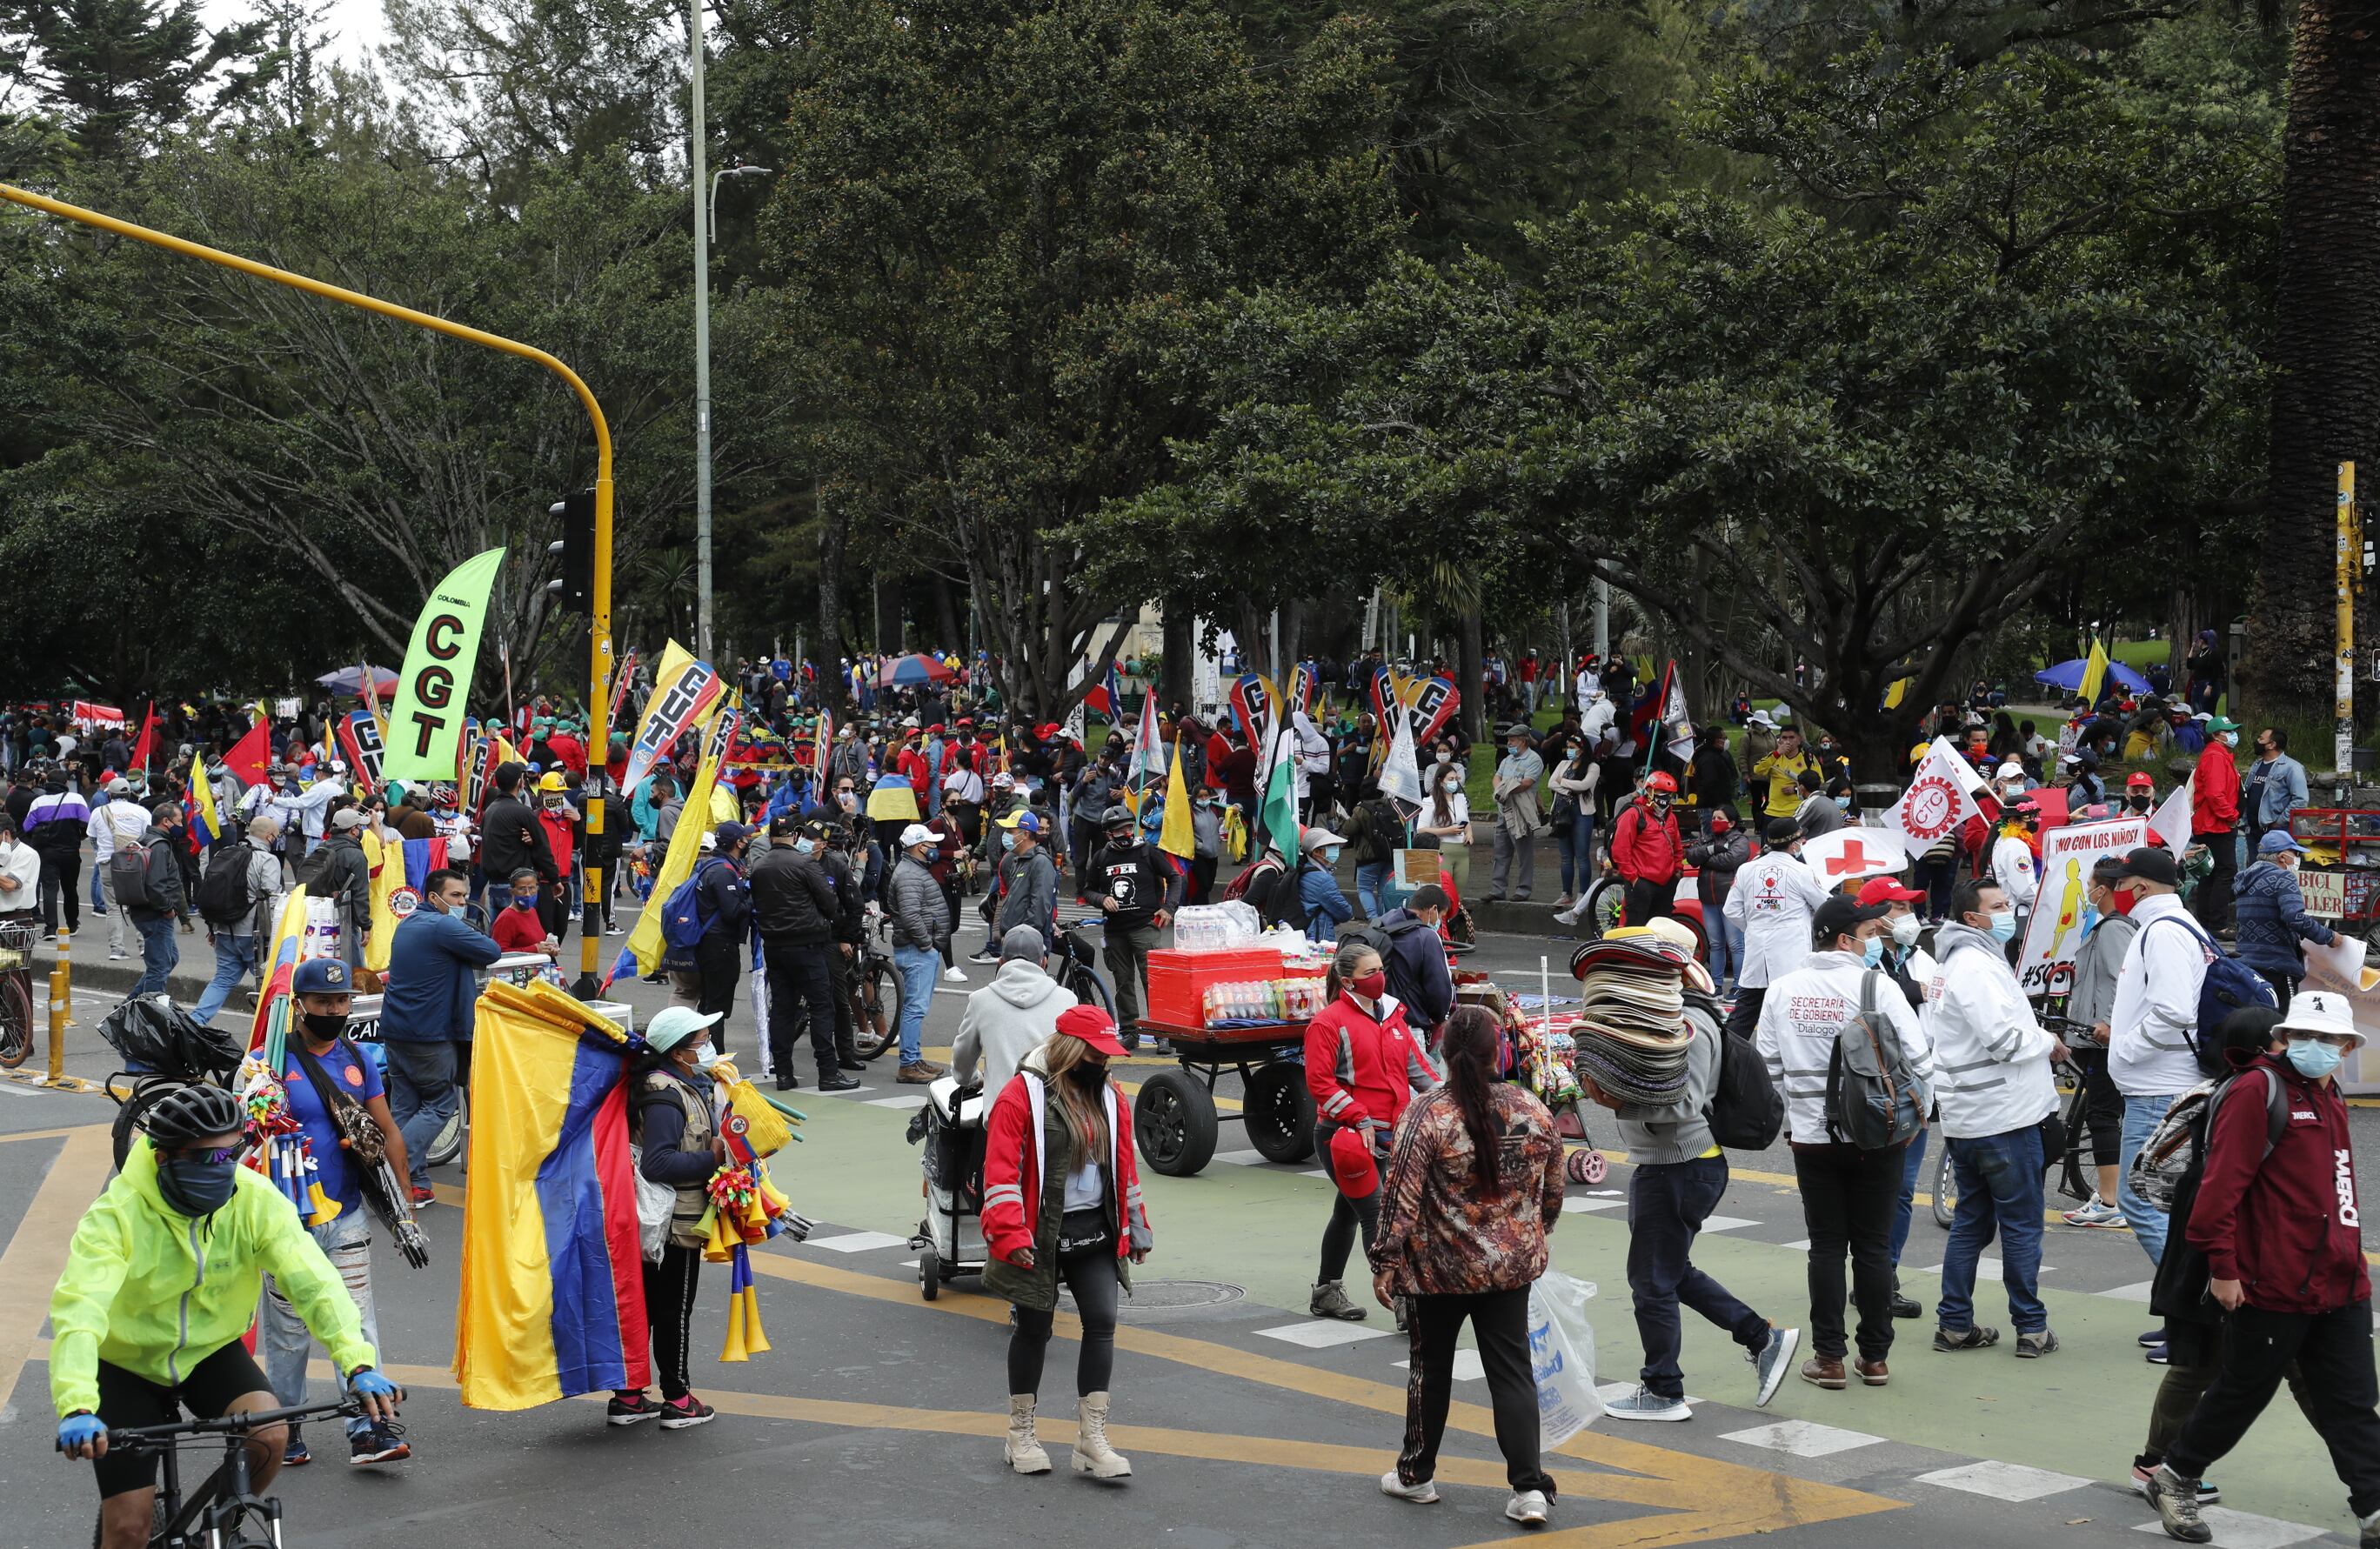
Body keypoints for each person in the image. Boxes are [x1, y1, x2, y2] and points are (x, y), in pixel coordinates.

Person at [50, 1085, 402, 1549]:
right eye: (206, 1158)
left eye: (230, 1154)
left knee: (270, 1433)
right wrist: (76, 1404)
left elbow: (314, 1283)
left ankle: (223, 1527)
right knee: (128, 1529)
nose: (223, 1168)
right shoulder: (116, 1215)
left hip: (210, 1352)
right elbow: (80, 1309)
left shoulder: (254, 1199)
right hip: (125, 1365)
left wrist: (357, 1362)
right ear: (163, 1158)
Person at [2142, 991, 2380, 1547]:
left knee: (2352, 1400)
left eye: (2328, 1038)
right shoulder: (2258, 1089)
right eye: (2304, 1036)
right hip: (2271, 1279)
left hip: (2339, 1278)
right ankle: (2175, 1475)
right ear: (2286, 1038)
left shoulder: (2329, 1093)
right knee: (2244, 1390)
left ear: (2348, 1047)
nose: (2315, 1046)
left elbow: (2338, 1189)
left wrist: (2352, 1262)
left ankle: (2373, 1510)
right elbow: (2219, 1189)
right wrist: (2223, 1269)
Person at [1372, 1005, 1564, 1526]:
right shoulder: (1531, 1108)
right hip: (1510, 1269)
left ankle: (1416, 1475)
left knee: (1430, 1370)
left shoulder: (1426, 1114)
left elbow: (1400, 1196)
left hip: (1437, 1272)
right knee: (1512, 1373)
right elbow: (1552, 1191)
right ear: (1497, 1051)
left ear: (1443, 1051)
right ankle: (1529, 1489)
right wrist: (1530, 1234)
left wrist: (1385, 1260)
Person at [1589, 972, 1800, 1423]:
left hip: (1681, 1165)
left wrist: (1619, 1102)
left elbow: (1686, 1104)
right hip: (1669, 1164)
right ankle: (1761, 1338)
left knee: (1652, 1281)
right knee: (1668, 1272)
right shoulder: (1667, 1017)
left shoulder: (1691, 1023)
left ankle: (1663, 1391)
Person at [1755, 895, 1931, 1390]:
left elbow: (1766, 1067)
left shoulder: (1783, 989)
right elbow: (1920, 1059)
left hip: (1813, 1138)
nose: (1875, 941)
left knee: (1826, 1247)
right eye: (1870, 933)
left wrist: (1798, 1111)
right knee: (1874, 1246)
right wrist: (1913, 1120)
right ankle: (1875, 1359)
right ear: (1843, 939)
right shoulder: (1879, 986)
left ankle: (1829, 1358)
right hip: (1878, 1136)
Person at [980, 1005, 1152, 1479]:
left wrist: (1136, 1226)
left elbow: (1124, 1167)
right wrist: (1011, 1233)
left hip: (1094, 1227)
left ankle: (1090, 1440)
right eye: (1097, 1056)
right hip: (1038, 1232)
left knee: (1103, 1322)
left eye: (1108, 1056)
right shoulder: (1021, 1096)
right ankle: (1020, 1434)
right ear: (1071, 1051)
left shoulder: (1110, 1095)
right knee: (1034, 1329)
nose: (1104, 1064)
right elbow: (1000, 1172)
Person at [260, 958, 413, 1466]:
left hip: (346, 1216)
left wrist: (404, 1205)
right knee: (289, 1335)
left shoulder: (357, 1058)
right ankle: (285, 1428)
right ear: (300, 1005)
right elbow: (245, 1140)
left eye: (342, 1000)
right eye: (323, 1002)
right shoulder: (267, 1060)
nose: (334, 1010)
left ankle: (370, 1429)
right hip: (285, 1225)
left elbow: (387, 1130)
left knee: (358, 1323)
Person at [1922, 879, 2062, 1359]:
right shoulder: (1975, 966)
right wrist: (2047, 1042)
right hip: (2003, 1118)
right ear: (1972, 918)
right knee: (2021, 1227)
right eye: (1998, 906)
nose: (2008, 912)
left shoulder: (1957, 963)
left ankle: (1955, 1324)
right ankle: (2031, 1327)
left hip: (1970, 1118)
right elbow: (2004, 1041)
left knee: (1971, 1224)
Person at [2109, 844, 2214, 1363]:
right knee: (2170, 1207)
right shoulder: (2174, 926)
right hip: (2162, 1083)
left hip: (2159, 1088)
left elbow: (2172, 1010)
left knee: (2142, 1201)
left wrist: (2127, 1048)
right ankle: (2185, 1316)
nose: (2115, 892)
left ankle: (2195, 1316)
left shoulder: (2163, 931)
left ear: (2141, 888)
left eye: (2120, 884)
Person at [1304, 938, 1437, 1322]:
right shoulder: (1327, 1023)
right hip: (1344, 1138)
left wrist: (1453, 1099)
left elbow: (1419, 1071)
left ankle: (1326, 1291)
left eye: (1381, 969)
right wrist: (1359, 1117)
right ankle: (1403, 1301)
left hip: (1386, 1137)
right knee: (1376, 1214)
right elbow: (1319, 1083)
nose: (1380, 977)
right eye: (1371, 972)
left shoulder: (1393, 1017)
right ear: (1348, 981)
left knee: (1348, 1212)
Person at [609, 1006, 728, 1430]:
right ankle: (678, 1399)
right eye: (702, 1042)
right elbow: (658, 1163)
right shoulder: (666, 1096)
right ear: (678, 1053)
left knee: (641, 1307)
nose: (708, 1048)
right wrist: (713, 1157)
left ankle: (628, 1397)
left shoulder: (668, 1084)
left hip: (650, 1224)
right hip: (673, 1226)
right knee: (672, 1312)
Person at [378, 866, 501, 1205]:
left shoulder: (409, 923)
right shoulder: (443, 925)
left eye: (465, 896)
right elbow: (491, 951)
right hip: (428, 1034)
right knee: (440, 1105)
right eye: (455, 896)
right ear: (434, 897)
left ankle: (414, 1184)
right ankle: (389, 1167)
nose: (462, 902)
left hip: (397, 1030)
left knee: (405, 1106)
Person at [751, 812, 857, 1092]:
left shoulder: (760, 866)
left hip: (774, 945)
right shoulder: (805, 863)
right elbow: (830, 902)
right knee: (821, 1006)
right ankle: (828, 1073)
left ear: (771, 837)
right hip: (807, 943)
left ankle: (784, 1073)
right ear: (794, 836)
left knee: (782, 1009)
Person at [2060, 856, 2136, 1230]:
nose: (2088, 891)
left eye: (2090, 885)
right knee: (2104, 1113)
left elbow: (2124, 980)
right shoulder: (2105, 927)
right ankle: (2113, 1196)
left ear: (2102, 889)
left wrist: (2108, 1022)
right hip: (2094, 1037)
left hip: (2105, 1040)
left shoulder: (2114, 929)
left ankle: (2110, 1202)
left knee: (2102, 1115)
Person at [1721, 819, 1832, 1041]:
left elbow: (1730, 909)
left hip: (1757, 952)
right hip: (1790, 955)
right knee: (1792, 1013)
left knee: (1745, 1013)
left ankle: (1724, 1055)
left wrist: (1754, 927)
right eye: (1800, 839)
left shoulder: (1747, 869)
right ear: (1793, 844)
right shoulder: (1802, 871)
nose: (1802, 842)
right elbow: (1825, 906)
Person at [953, 925, 1077, 1100]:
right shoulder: (1068, 1000)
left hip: (1002, 1109)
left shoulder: (981, 1000)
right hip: (1053, 1110)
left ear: (1001, 962)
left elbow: (962, 1061)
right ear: (1043, 962)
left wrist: (972, 1079)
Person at [1085, 804, 1180, 1025]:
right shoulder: (1101, 858)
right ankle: (1129, 1030)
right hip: (1114, 932)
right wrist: (1102, 899)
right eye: (1120, 830)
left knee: (1153, 980)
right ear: (1109, 834)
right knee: (1123, 981)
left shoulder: (1147, 851)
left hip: (1144, 928)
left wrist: (1169, 908)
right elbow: (1088, 890)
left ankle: (1161, 1030)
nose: (1127, 833)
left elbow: (1175, 877)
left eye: (1129, 827)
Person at [659, 822, 751, 1039]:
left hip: (709, 943)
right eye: (745, 838)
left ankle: (702, 1049)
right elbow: (732, 911)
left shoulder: (712, 865)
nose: (748, 841)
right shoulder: (723, 871)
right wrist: (752, 898)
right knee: (715, 1009)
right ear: (738, 843)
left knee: (708, 1003)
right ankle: (714, 1053)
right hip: (720, 946)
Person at [2231, 829, 2335, 1010]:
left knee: (2258, 1022)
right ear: (2282, 857)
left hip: (2248, 968)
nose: (2297, 859)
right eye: (2295, 854)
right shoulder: (2284, 877)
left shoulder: (2244, 880)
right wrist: (2330, 937)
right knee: (2283, 1022)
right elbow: (2295, 918)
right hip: (2278, 967)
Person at [887, 823, 953, 1084]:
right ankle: (908, 1063)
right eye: (931, 844)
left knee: (915, 1007)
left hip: (918, 947)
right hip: (916, 949)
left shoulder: (912, 870)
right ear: (920, 847)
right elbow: (911, 915)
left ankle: (913, 1058)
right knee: (915, 1008)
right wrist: (927, 944)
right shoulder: (909, 875)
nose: (935, 848)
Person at [1372, 884, 1455, 1045]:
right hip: (1410, 1027)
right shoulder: (1427, 936)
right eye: (1440, 916)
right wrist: (1439, 1016)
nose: (1438, 921)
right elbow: (1439, 990)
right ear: (1433, 909)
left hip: (1375, 1025)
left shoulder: (1379, 926)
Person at [124, 803, 192, 998]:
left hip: (141, 909)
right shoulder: (160, 846)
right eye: (179, 821)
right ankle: (148, 1010)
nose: (182, 825)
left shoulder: (144, 839)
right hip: (155, 914)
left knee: (170, 959)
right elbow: (156, 884)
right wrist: (168, 908)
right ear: (166, 821)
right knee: (159, 967)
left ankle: (129, 1004)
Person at [1611, 771, 1685, 929]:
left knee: (1661, 932)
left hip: (1666, 883)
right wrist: (1634, 879)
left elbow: (1677, 847)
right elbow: (1620, 851)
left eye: (1669, 794)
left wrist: (1677, 872)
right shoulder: (1633, 815)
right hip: (1641, 883)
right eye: (1662, 792)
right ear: (1650, 791)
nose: (1666, 797)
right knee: (1636, 931)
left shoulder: (1670, 818)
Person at [2189, 717, 2243, 931]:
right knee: (2224, 871)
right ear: (2215, 735)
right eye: (2227, 731)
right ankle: (2217, 924)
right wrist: (2231, 816)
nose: (2232, 734)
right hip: (2216, 825)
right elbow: (2215, 794)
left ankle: (2207, 922)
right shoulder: (2215, 757)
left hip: (2212, 823)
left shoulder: (2217, 755)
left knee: (2211, 873)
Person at [23, 768, 90, 938]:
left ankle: (51, 928)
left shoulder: (38, 802)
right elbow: (86, 824)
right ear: (66, 782)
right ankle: (72, 924)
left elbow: (27, 827)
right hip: (70, 851)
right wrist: (77, 836)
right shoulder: (77, 799)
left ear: (47, 782)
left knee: (49, 889)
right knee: (70, 888)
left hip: (46, 852)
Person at [89, 777, 150, 960]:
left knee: (113, 908)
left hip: (108, 862)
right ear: (129, 793)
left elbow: (92, 838)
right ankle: (144, 946)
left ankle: (116, 949)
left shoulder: (98, 812)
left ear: (109, 794)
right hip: (135, 863)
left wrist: (101, 851)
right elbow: (148, 837)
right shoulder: (141, 811)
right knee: (139, 905)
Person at [1688, 813, 1750, 991]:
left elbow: (1730, 861)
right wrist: (1712, 849)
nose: (1714, 820)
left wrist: (1705, 858)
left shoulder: (1740, 840)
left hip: (1731, 900)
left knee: (1736, 945)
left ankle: (1739, 986)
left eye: (1720, 818)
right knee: (1715, 945)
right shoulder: (1707, 838)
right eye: (1713, 817)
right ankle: (1716, 985)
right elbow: (1691, 856)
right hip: (1708, 899)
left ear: (1731, 823)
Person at [1486, 724, 1543, 902]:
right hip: (1503, 811)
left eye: (1512, 740)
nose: (1509, 743)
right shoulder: (1507, 759)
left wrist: (1503, 789)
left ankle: (1523, 890)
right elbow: (1497, 777)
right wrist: (1502, 788)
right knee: (1500, 852)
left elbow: (1526, 783)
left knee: (1524, 854)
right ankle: (1498, 889)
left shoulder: (1534, 760)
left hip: (1521, 814)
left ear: (1523, 741)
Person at [990, 809, 1060, 954]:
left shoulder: (1040, 862)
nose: (1006, 835)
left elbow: (1038, 907)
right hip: (1013, 939)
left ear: (1026, 834)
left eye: (1011, 831)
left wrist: (1022, 937)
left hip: (1026, 942)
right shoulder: (1017, 860)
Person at [314, 807, 373, 968]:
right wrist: (365, 925)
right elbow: (360, 894)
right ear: (353, 830)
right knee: (355, 970)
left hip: (320, 917)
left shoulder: (321, 847)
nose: (361, 830)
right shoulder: (356, 856)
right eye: (359, 827)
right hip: (347, 920)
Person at [1547, 733, 1600, 911]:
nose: (1569, 751)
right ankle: (1566, 894)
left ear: (1582, 749)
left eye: (1572, 748)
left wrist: (1562, 782)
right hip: (1562, 813)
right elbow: (1551, 783)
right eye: (1567, 747)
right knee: (1566, 856)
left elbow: (1584, 785)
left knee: (1582, 855)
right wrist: (1570, 790)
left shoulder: (1593, 767)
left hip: (1582, 814)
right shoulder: (1563, 764)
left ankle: (1582, 894)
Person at [2241, 726, 2309, 852]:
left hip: (2276, 832)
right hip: (2253, 831)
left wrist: (2279, 822)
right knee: (2255, 865)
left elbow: (2301, 800)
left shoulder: (2292, 768)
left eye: (2261, 739)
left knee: (2274, 864)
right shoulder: (2257, 765)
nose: (2257, 741)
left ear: (2272, 744)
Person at [1415, 761, 1472, 896]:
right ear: (1441, 781)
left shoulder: (1460, 799)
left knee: (1458, 894)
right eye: (1450, 779)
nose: (1454, 782)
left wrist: (1469, 833)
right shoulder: (1430, 802)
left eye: (1456, 779)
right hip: (1443, 850)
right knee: (1443, 893)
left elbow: (1466, 821)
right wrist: (1447, 831)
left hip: (1462, 851)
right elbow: (1421, 829)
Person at [1297, 825, 1354, 943]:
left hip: (1305, 932)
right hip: (1318, 936)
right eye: (1331, 846)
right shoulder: (1323, 880)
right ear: (1316, 852)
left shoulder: (1304, 869)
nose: (1336, 850)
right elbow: (1345, 913)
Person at [490, 866, 559, 958]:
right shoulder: (507, 918)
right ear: (511, 891)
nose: (527, 894)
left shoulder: (532, 911)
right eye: (522, 889)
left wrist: (548, 948)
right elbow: (499, 953)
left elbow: (536, 942)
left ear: (537, 888)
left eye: (531, 888)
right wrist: (535, 949)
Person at [1753, 727, 1818, 821]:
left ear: (1799, 740)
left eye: (1792, 737)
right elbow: (1757, 770)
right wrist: (1777, 753)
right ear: (1780, 740)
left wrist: (1795, 789)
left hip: (1797, 812)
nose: (1788, 741)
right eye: (1784, 738)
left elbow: (1819, 782)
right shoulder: (1774, 756)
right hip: (1773, 812)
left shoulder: (1808, 758)